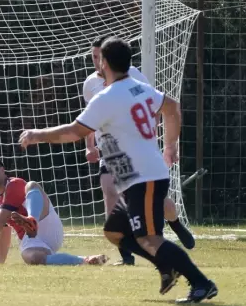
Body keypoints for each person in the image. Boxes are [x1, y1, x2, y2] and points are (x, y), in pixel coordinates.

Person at [19, 38, 217, 304]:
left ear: (105, 62)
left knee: (149, 237)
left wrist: (37, 134)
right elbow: (171, 107)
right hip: (138, 177)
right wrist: (169, 145)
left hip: (143, 178)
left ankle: (201, 283)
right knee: (115, 232)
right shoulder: (139, 87)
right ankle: (167, 265)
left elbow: (74, 132)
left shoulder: (108, 97)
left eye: (98, 58)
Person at [83, 37, 195, 265]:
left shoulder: (132, 76)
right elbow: (89, 119)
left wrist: (165, 143)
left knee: (158, 201)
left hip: (139, 149)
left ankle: (174, 223)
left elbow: (154, 106)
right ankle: (126, 255)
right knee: (109, 190)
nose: (96, 62)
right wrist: (90, 146)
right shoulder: (90, 84)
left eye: (99, 56)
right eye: (93, 57)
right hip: (112, 151)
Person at [0, 157, 108, 266]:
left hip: (46, 224)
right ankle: (86, 260)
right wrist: (0, 263)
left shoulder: (14, 184)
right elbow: (4, 231)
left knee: (32, 185)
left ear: (2, 170)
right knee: (33, 259)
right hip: (30, 239)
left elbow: (0, 220)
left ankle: (32, 219)